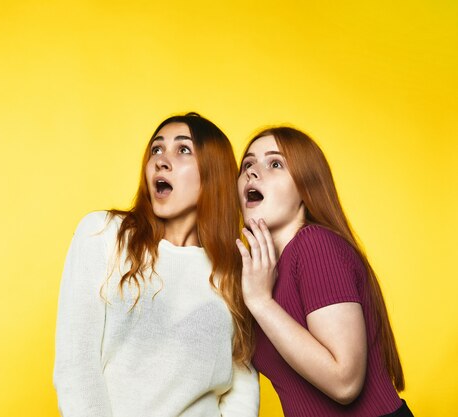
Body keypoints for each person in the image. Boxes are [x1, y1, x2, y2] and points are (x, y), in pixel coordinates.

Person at [54, 113, 259, 417]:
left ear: (213, 172)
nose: (162, 160)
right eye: (157, 149)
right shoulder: (104, 233)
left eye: (183, 150)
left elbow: (241, 384)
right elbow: (76, 363)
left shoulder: (235, 270)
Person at [235, 126, 413, 416]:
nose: (253, 172)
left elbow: (345, 383)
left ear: (306, 188)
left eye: (275, 163)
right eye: (248, 164)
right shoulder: (260, 272)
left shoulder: (314, 245)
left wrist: (261, 303)